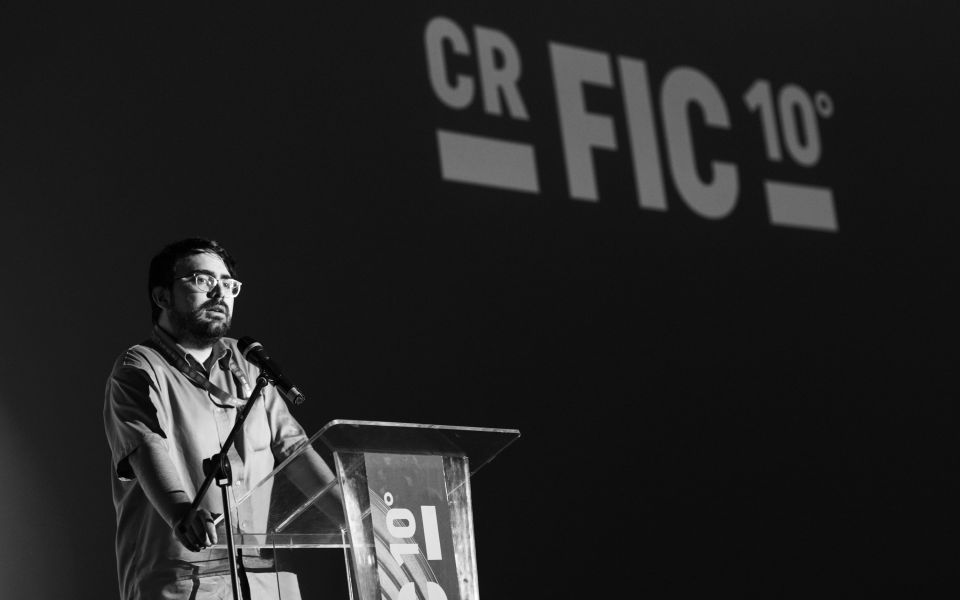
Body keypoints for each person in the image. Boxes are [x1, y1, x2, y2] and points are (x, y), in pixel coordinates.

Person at [104, 238, 339, 600]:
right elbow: (146, 447)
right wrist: (182, 512)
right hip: (183, 581)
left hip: (259, 580)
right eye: (202, 280)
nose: (220, 294)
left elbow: (294, 450)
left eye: (229, 285)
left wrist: (356, 518)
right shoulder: (138, 368)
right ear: (162, 296)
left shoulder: (247, 363)